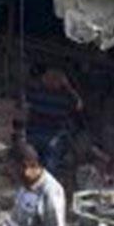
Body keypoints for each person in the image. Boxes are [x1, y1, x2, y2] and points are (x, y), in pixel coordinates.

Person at [24, 65, 84, 206]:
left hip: (54, 136)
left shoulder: (65, 97)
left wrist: (68, 88)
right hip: (35, 134)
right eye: (51, 79)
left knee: (50, 160)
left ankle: (44, 192)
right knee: (32, 160)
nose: (53, 83)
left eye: (57, 80)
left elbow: (79, 105)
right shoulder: (36, 94)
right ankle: (33, 193)